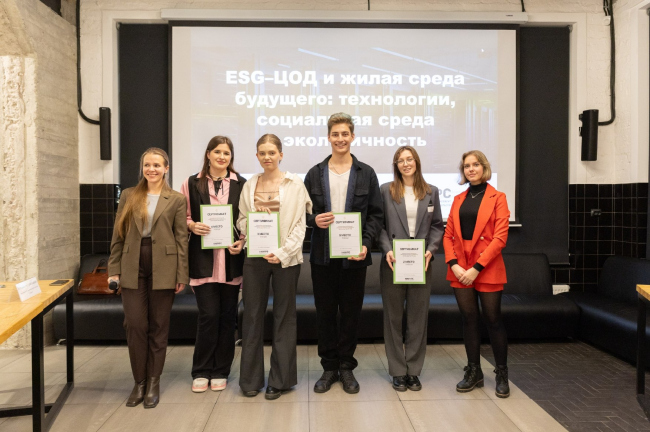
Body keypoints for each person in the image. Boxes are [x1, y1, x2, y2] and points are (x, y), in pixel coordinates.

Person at [304, 112, 383, 394]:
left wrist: (366, 244)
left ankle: (347, 367)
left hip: (355, 257)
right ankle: (329, 368)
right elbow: (302, 213)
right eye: (335, 134)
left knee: (351, 313)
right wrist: (314, 220)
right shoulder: (314, 173)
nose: (340, 139)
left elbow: (375, 215)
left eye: (345, 134)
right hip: (322, 256)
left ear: (352, 136)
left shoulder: (367, 173)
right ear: (328, 137)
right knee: (325, 313)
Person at [108, 147, 189, 408]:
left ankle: (153, 381)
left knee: (158, 326)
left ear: (166, 168)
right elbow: (118, 234)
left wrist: (182, 274)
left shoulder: (176, 199)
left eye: (156, 165)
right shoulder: (129, 195)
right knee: (135, 324)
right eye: (147, 165)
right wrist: (113, 269)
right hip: (132, 262)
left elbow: (181, 239)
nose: (151, 169)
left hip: (164, 265)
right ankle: (139, 381)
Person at [237, 134, 312, 400]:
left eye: (271, 152)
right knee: (251, 316)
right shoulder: (250, 185)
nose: (267, 157)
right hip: (255, 257)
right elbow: (241, 220)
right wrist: (252, 226)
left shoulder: (295, 184)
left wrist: (282, 252)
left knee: (284, 317)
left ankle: (280, 381)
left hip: (285, 259)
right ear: (257, 156)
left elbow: (300, 225)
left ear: (281, 154)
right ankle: (250, 380)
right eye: (262, 153)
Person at [179, 136, 246, 393]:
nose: (222, 157)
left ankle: (220, 370)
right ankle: (201, 370)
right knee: (208, 316)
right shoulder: (190, 183)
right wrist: (192, 225)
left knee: (228, 318)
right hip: (203, 261)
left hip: (231, 261)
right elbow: (182, 216)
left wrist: (242, 240)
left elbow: (245, 218)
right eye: (217, 152)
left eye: (226, 153)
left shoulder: (242, 184)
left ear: (231, 157)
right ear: (208, 154)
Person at [443, 150, 510, 398]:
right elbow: (448, 235)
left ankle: (502, 373)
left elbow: (500, 238)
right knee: (469, 320)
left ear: (484, 167)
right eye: (466, 166)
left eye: (475, 164)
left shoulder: (498, 197)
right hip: (460, 268)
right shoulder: (458, 198)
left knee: (493, 320)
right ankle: (474, 371)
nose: (470, 169)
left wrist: (476, 269)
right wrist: (454, 264)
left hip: (487, 266)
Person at [378, 146, 444, 392]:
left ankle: (413, 371)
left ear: (416, 162)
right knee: (393, 319)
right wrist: (387, 249)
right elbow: (379, 225)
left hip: (421, 262)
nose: (405, 163)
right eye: (400, 160)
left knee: (418, 318)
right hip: (393, 262)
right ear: (396, 165)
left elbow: (437, 226)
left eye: (409, 159)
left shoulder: (431, 191)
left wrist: (431, 250)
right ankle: (398, 371)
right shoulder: (385, 190)